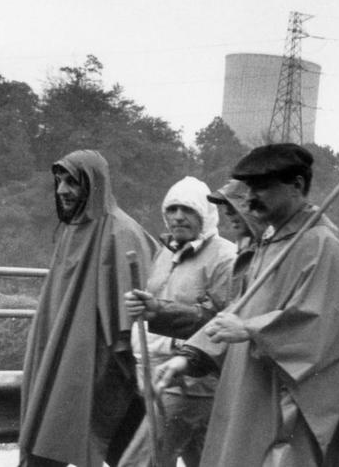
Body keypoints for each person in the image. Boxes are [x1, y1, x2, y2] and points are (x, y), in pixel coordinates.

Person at [153, 143, 339, 465]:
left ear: (297, 186)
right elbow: (241, 308)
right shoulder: (273, 243)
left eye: (264, 187)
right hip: (254, 392)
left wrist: (249, 329)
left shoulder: (321, 245)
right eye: (251, 187)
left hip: (287, 401)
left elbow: (322, 324)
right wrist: (190, 357)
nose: (252, 197)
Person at [20, 149, 158, 467]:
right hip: (60, 367)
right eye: (59, 181)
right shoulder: (71, 229)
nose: (62, 191)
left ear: (94, 185)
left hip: (102, 374)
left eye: (72, 182)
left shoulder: (121, 232)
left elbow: (132, 323)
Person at [115, 176, 236, 467]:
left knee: (139, 464)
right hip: (157, 375)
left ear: (206, 215)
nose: (178, 217)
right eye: (172, 209)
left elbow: (219, 323)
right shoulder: (165, 253)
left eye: (188, 210)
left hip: (189, 383)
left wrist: (157, 311)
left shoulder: (225, 257)